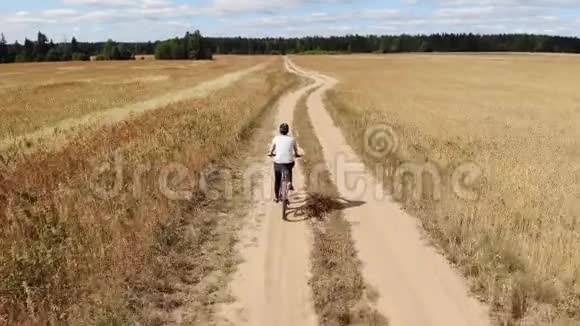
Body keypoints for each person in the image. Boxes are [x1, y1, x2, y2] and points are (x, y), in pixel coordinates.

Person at [269, 123, 300, 203]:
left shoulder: (276, 138)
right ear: (288, 131)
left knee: (277, 180)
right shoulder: (292, 139)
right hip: (289, 163)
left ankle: (276, 198)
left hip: (278, 163)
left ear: (280, 131)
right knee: (289, 166)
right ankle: (290, 182)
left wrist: (270, 153)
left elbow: (271, 150)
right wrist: (296, 155)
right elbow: (296, 151)